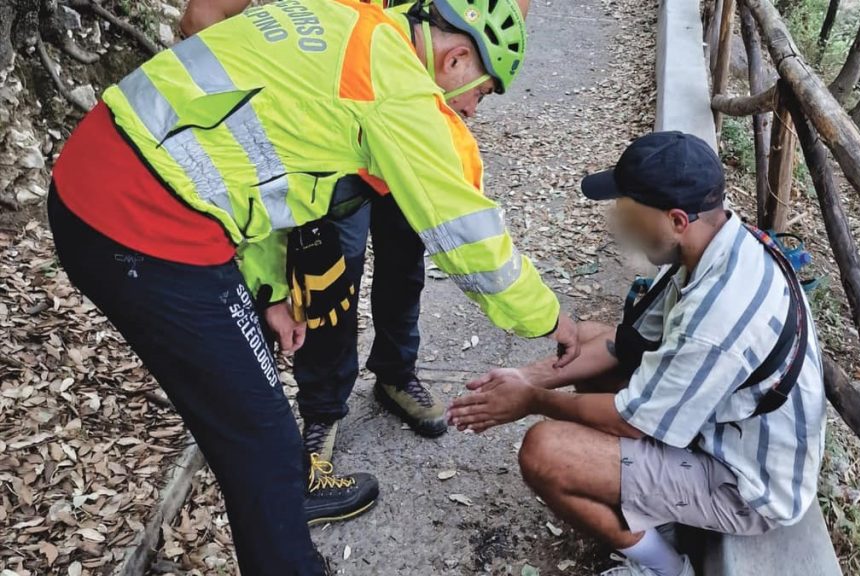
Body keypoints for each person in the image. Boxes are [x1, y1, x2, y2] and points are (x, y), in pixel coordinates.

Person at [48, 0, 579, 573]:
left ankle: (279, 507)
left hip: (104, 175)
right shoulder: (398, 91)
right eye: (484, 92)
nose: (473, 111)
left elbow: (253, 164)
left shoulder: (344, 21)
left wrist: (274, 289)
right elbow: (469, 238)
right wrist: (553, 321)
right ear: (455, 58)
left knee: (254, 427)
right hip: (142, 227)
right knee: (263, 438)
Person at [447, 132, 827, 576]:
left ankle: (666, 568)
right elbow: (625, 345)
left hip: (748, 486)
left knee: (543, 451)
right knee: (589, 340)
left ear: (678, 220)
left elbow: (630, 418)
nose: (619, 223)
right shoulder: (716, 246)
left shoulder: (718, 313)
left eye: (630, 211)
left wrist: (529, 402)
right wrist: (525, 377)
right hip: (719, 426)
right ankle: (653, 513)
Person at [179, 0, 534, 454]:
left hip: (412, 123)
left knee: (407, 260)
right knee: (327, 276)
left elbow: (507, 15)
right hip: (334, 136)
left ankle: (396, 374)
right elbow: (200, 18)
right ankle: (323, 409)